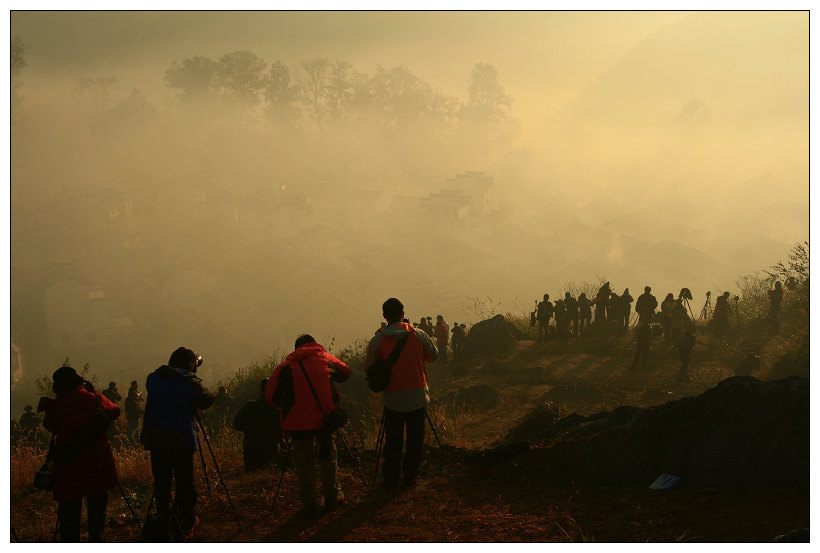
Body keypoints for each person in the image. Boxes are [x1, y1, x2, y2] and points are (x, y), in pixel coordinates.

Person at [265, 334, 351, 516]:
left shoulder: (285, 367)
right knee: (328, 456)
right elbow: (346, 373)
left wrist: (289, 405)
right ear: (314, 344)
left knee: (304, 463)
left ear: (296, 349)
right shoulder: (326, 359)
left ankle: (309, 503)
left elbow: (270, 396)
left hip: (299, 422)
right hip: (325, 418)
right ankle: (332, 497)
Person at [38, 366, 120, 542]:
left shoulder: (57, 406)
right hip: (98, 466)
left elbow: (50, 426)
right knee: (97, 516)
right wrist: (94, 394)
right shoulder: (95, 399)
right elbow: (114, 411)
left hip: (69, 468)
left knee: (69, 517)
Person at [140, 347, 215, 537]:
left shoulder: (153, 378)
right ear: (190, 365)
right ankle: (186, 522)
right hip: (180, 440)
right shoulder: (188, 382)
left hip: (155, 438)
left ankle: (164, 522)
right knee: (184, 484)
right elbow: (207, 400)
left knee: (162, 483)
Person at [363, 298, 438, 489]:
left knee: (393, 441)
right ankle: (411, 475)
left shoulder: (377, 340)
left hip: (393, 400)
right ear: (403, 315)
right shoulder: (419, 335)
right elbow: (433, 356)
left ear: (384, 316)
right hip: (417, 397)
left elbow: (369, 367)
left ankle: (390, 477)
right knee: (415, 440)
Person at [233, 379, 282, 473]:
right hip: (270, 454)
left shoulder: (249, 406)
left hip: (250, 454)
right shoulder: (277, 411)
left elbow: (237, 425)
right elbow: (283, 433)